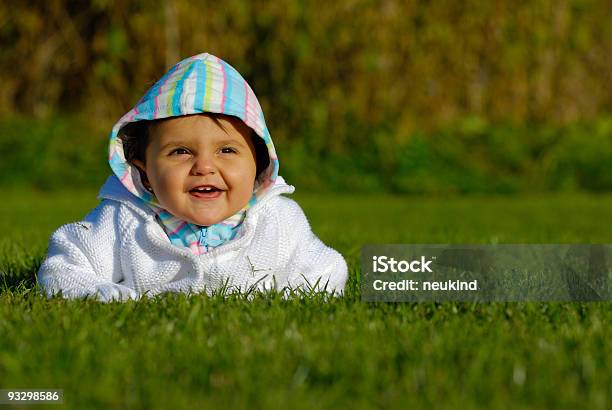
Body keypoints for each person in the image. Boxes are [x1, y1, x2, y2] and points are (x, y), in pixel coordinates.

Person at [37, 52, 348, 302]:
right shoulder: (123, 220)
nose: (204, 167)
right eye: (181, 152)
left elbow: (327, 270)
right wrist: (102, 295)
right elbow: (62, 267)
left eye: (226, 151)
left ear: (260, 162)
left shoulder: (279, 221)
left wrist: (291, 301)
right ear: (143, 166)